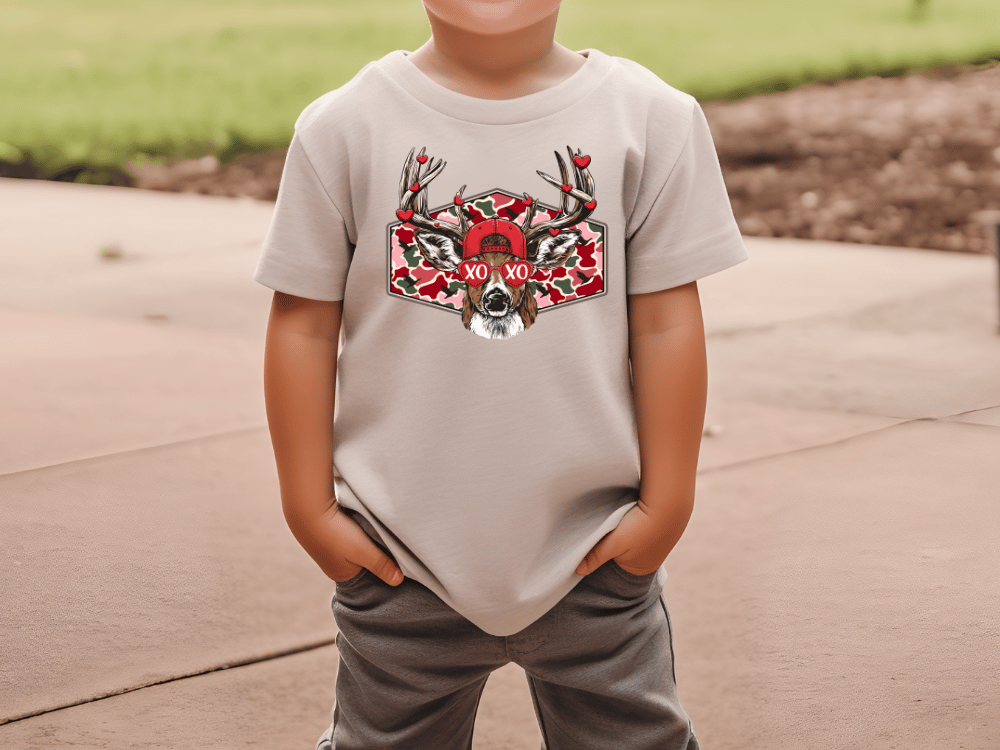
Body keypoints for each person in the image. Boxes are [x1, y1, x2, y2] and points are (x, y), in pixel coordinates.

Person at [253, 0, 748, 747]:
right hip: (397, 559)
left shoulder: (651, 121)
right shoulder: (343, 128)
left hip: (597, 554)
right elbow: (304, 322)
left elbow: (667, 321)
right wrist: (310, 511)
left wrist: (666, 507)